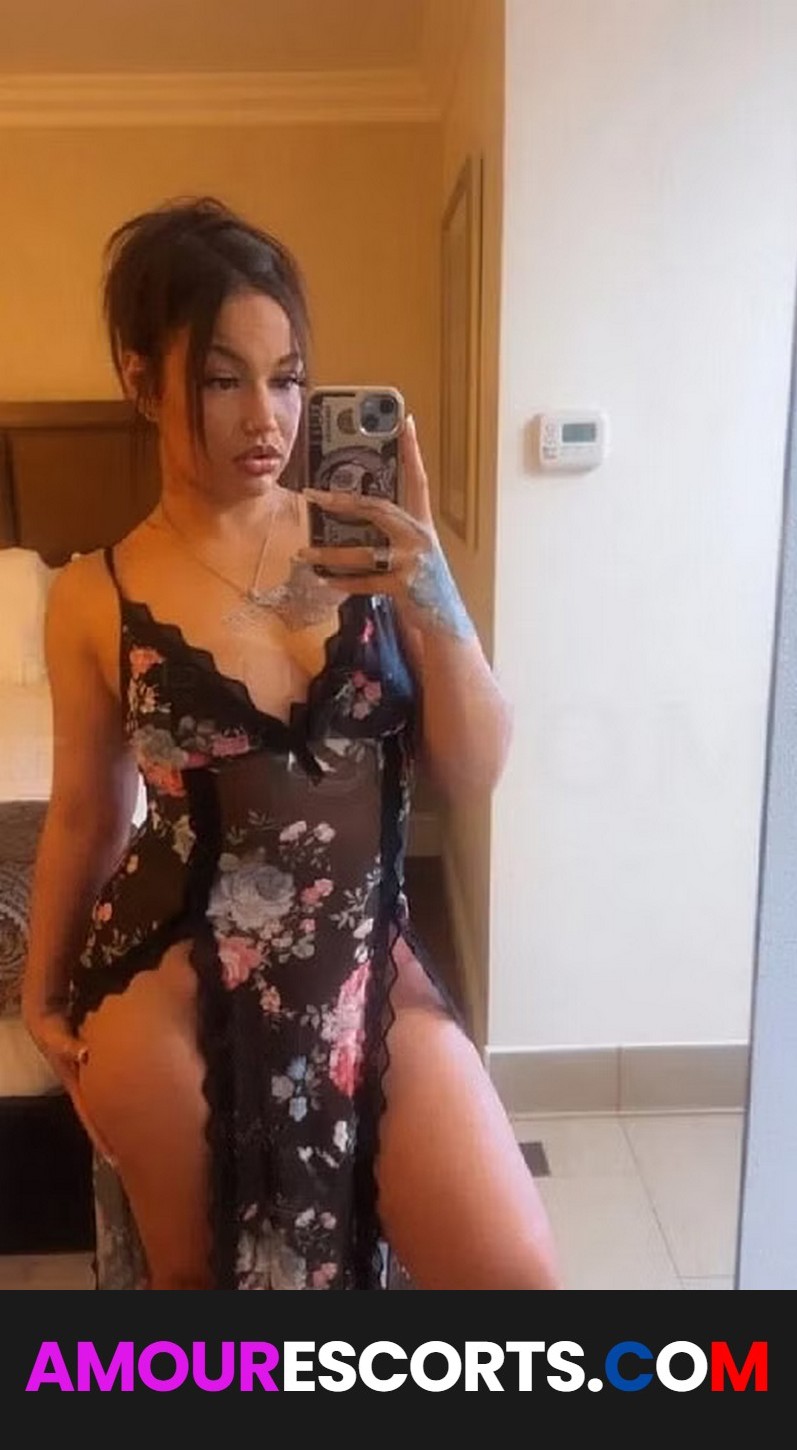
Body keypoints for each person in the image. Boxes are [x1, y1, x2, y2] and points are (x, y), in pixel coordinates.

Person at [22, 195, 561, 1291]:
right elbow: (86, 811)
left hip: (365, 954)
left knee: (518, 1289)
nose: (265, 416)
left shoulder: (370, 548)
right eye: (223, 380)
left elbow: (473, 770)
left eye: (288, 377)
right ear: (142, 380)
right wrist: (40, 995)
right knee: (214, 1308)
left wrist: (431, 589)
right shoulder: (92, 594)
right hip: (169, 978)